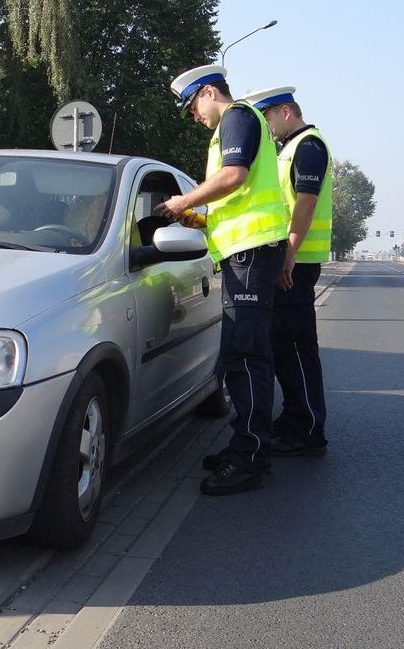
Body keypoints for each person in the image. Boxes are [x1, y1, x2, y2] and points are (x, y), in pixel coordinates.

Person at [156, 64, 290, 495]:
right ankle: (246, 445)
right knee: (242, 354)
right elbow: (233, 199)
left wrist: (184, 199)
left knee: (246, 356)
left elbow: (234, 178)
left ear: (210, 91)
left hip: (251, 254)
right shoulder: (232, 127)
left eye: (193, 104)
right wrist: (197, 216)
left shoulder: (238, 117)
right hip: (245, 253)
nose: (194, 115)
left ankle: (249, 457)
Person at [243, 86, 332, 457]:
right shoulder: (290, 148)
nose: (265, 125)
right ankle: (295, 416)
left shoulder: (309, 145)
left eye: (266, 117)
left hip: (297, 263)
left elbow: (307, 202)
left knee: (295, 347)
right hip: (290, 261)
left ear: (285, 111)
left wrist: (289, 254)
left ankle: (308, 428)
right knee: (283, 345)